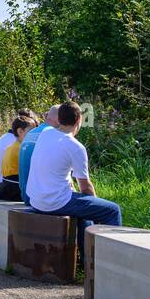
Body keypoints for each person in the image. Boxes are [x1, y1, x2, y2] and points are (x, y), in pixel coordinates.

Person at [26, 100, 122, 261]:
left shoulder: (46, 133)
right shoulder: (76, 147)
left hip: (35, 199)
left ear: (59, 119)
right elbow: (85, 188)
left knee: (85, 213)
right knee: (112, 210)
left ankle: (87, 260)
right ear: (79, 120)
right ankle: (110, 261)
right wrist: (94, 201)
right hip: (53, 202)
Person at [17, 105, 59, 204]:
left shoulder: (31, 133)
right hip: (39, 200)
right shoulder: (54, 134)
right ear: (59, 119)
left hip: (26, 196)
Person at [0, 112, 38, 201]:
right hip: (15, 189)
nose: (34, 135)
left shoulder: (12, 146)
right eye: (31, 132)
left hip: (7, 187)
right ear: (20, 131)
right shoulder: (22, 148)